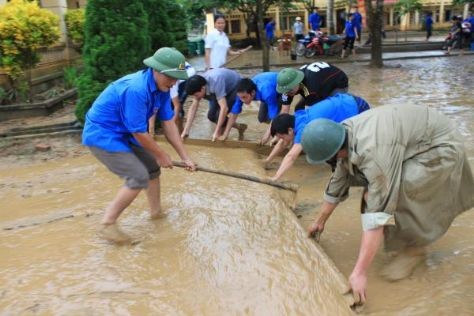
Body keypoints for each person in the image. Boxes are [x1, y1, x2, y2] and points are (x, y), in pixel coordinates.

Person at [301, 105, 474, 305]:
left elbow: (377, 213)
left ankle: (415, 248)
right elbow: (339, 179)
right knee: (373, 191)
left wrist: (359, 273)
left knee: (390, 195)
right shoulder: (341, 133)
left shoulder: (374, 153)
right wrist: (319, 222)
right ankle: (401, 240)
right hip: (416, 141)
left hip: (440, 147)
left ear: (336, 152)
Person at [82, 47, 197, 244]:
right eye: (171, 77)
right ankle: (107, 225)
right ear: (157, 71)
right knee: (138, 176)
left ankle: (156, 213)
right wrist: (161, 154)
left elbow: (169, 124)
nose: (174, 83)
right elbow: (139, 132)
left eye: (177, 78)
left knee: (152, 168)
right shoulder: (136, 89)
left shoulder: (162, 89)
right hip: (104, 134)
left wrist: (184, 156)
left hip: (125, 131)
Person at [266, 93, 370, 181]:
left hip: (357, 108)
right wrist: (267, 161)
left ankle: (351, 175)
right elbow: (284, 143)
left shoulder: (303, 128)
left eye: (282, 137)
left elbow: (291, 156)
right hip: (347, 99)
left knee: (354, 146)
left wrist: (276, 177)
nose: (282, 141)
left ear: (289, 130)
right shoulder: (297, 117)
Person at [182, 68, 247, 141]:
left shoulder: (215, 80)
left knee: (219, 115)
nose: (196, 98)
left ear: (203, 88)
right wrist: (186, 130)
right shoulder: (198, 85)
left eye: (196, 95)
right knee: (211, 116)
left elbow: (224, 108)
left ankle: (221, 138)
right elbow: (193, 107)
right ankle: (240, 127)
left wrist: (216, 132)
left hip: (234, 87)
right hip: (218, 88)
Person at [222, 72, 282, 144]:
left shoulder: (267, 93)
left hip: (279, 90)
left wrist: (267, 135)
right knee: (262, 118)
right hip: (266, 88)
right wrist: (225, 134)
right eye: (240, 97)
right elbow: (234, 114)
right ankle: (276, 128)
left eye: (244, 97)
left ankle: (281, 132)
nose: (242, 100)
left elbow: (274, 117)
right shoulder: (241, 94)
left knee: (276, 118)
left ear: (253, 93)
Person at [276, 62, 349, 112]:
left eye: (290, 90)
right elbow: (284, 110)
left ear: (297, 82)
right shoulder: (287, 87)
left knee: (330, 109)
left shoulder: (310, 89)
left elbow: (311, 113)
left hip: (338, 82)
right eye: (285, 91)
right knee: (299, 108)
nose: (287, 94)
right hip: (318, 82)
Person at [149, 62, 195, 134]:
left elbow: (177, 105)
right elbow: (154, 108)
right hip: (178, 68)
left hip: (188, 76)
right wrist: (151, 128)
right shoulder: (151, 84)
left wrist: (171, 125)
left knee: (176, 109)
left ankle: (181, 133)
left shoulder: (172, 83)